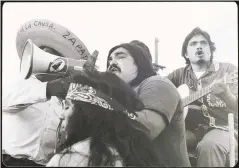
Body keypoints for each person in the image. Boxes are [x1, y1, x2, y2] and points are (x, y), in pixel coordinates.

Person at [2, 19, 95, 166]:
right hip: (11, 162)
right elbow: (8, 100)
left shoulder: (64, 101)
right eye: (41, 52)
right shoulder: (18, 84)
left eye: (52, 55)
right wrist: (62, 84)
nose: (45, 56)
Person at [46, 70, 162, 167]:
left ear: (88, 112)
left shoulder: (72, 158)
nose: (61, 115)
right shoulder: (136, 152)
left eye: (67, 107)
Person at [106, 41, 191, 167]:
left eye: (121, 56)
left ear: (140, 62)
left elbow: (143, 132)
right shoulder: (116, 96)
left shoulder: (158, 84)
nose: (112, 62)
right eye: (109, 59)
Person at [167, 27, 238, 167]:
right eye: (193, 44)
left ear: (210, 51)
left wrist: (226, 95)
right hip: (188, 129)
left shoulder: (228, 71)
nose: (199, 46)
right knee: (165, 142)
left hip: (222, 128)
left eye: (203, 43)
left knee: (209, 146)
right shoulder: (177, 75)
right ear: (186, 54)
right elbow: (157, 91)